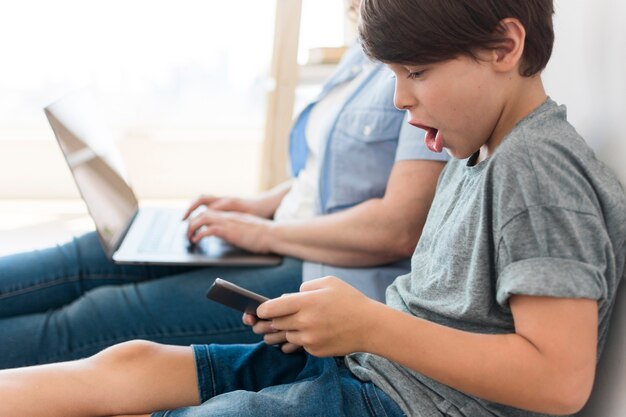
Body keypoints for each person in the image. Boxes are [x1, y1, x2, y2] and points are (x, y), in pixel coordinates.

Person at [2, 1, 625, 416]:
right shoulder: (483, 149)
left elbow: (559, 381)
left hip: (399, 401)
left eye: (416, 71)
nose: (400, 99)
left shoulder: (539, 169)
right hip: (373, 368)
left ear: (505, 46)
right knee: (132, 363)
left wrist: (370, 324)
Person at [0, 15, 447, 368]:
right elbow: (327, 174)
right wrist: (258, 206)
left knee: (89, 317)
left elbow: (398, 229)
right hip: (286, 233)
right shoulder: (367, 39)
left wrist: (262, 232)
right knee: (89, 255)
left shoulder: (422, 58)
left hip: (325, 271)